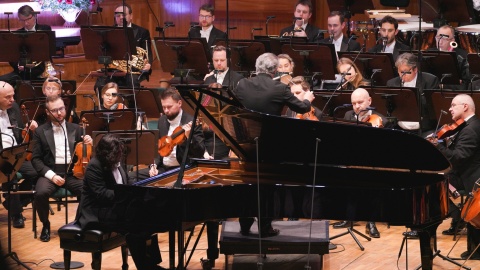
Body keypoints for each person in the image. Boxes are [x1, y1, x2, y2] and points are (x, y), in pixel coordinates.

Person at [234, 53, 315, 237]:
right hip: (270, 146)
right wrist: (308, 99)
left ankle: (244, 225)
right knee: (266, 187)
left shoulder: (242, 85)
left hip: (245, 144)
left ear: (257, 67)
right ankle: (265, 227)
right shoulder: (279, 88)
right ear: (275, 70)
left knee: (247, 183)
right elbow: (301, 108)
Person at [74, 134, 165, 270]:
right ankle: (145, 266)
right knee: (133, 224)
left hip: (114, 206)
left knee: (146, 217)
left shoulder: (117, 161)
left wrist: (136, 189)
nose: (120, 156)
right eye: (117, 153)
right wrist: (126, 195)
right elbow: (102, 194)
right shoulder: (94, 166)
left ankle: (153, 263)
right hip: (96, 212)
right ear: (107, 154)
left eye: (120, 152)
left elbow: (126, 182)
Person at [31, 95, 92, 242]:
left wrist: (89, 142)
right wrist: (51, 175)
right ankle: (45, 224)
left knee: (89, 190)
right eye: (55, 110)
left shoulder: (77, 129)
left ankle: (79, 223)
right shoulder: (40, 132)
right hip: (50, 172)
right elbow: (36, 159)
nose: (59, 113)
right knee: (40, 193)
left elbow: (85, 154)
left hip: (72, 172)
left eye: (61, 109)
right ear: (47, 112)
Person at [428, 94, 480, 260]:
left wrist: (438, 146)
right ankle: (459, 220)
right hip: (465, 173)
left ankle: (455, 217)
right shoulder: (469, 125)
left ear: (465, 106)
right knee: (437, 180)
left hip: (470, 178)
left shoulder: (471, 128)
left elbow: (458, 157)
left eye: (453, 105)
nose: (450, 109)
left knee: (432, 185)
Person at [332, 88, 387, 238]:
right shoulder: (348, 115)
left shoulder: (381, 119)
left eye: (360, 102)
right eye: (353, 103)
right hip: (353, 159)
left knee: (372, 187)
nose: (356, 106)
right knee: (347, 184)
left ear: (369, 101)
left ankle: (371, 222)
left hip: (373, 162)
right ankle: (348, 218)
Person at [129, 87, 205, 181]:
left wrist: (189, 137)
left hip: (181, 170)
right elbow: (158, 147)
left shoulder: (191, 122)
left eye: (169, 107)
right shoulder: (162, 121)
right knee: (131, 177)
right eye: (163, 107)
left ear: (179, 103)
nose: (166, 111)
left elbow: (200, 152)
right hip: (163, 169)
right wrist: (154, 165)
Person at [0, 82, 38, 229]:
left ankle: (13, 202)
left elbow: (20, 134)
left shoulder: (14, 108)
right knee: (11, 176)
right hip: (1, 156)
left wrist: (28, 129)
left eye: (13, 96)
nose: (12, 100)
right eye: (7, 97)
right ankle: (16, 214)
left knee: (37, 173)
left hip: (16, 153)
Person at [95, 3, 152, 91]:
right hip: (113, 69)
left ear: (131, 16)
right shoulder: (108, 32)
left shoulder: (142, 32)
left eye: (124, 15)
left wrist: (148, 64)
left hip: (133, 69)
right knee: (100, 85)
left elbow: (147, 53)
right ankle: (104, 105)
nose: (121, 17)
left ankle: (132, 104)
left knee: (132, 83)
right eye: (118, 15)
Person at [202, 45, 242, 160]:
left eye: (222, 60)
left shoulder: (237, 79)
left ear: (228, 60)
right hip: (211, 125)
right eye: (216, 60)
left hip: (229, 126)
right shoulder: (208, 79)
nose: (219, 63)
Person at [0, 5, 52, 86]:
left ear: (34, 16)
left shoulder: (45, 29)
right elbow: (12, 56)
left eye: (28, 19)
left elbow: (48, 51)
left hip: (40, 70)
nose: (26, 23)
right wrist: (18, 65)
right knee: (2, 81)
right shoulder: (16, 34)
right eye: (22, 20)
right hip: (22, 72)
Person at [387, 53, 439, 131]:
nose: (402, 76)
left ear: (415, 69)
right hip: (399, 128)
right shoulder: (392, 83)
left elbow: (432, 107)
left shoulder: (430, 81)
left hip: (423, 128)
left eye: (406, 72)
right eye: (400, 72)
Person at [430, 25, 470, 90]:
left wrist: (442, 86)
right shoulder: (429, 53)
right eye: (438, 37)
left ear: (452, 40)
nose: (440, 42)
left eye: (444, 39)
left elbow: (465, 86)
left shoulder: (463, 57)